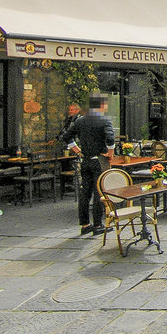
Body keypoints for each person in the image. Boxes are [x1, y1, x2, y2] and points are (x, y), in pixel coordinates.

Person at [59, 94, 114, 236]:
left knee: (85, 192)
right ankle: (98, 224)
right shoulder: (104, 121)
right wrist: (110, 153)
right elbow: (109, 137)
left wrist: (77, 150)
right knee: (99, 192)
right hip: (99, 160)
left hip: (86, 160)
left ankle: (84, 225)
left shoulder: (80, 121)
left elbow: (66, 136)